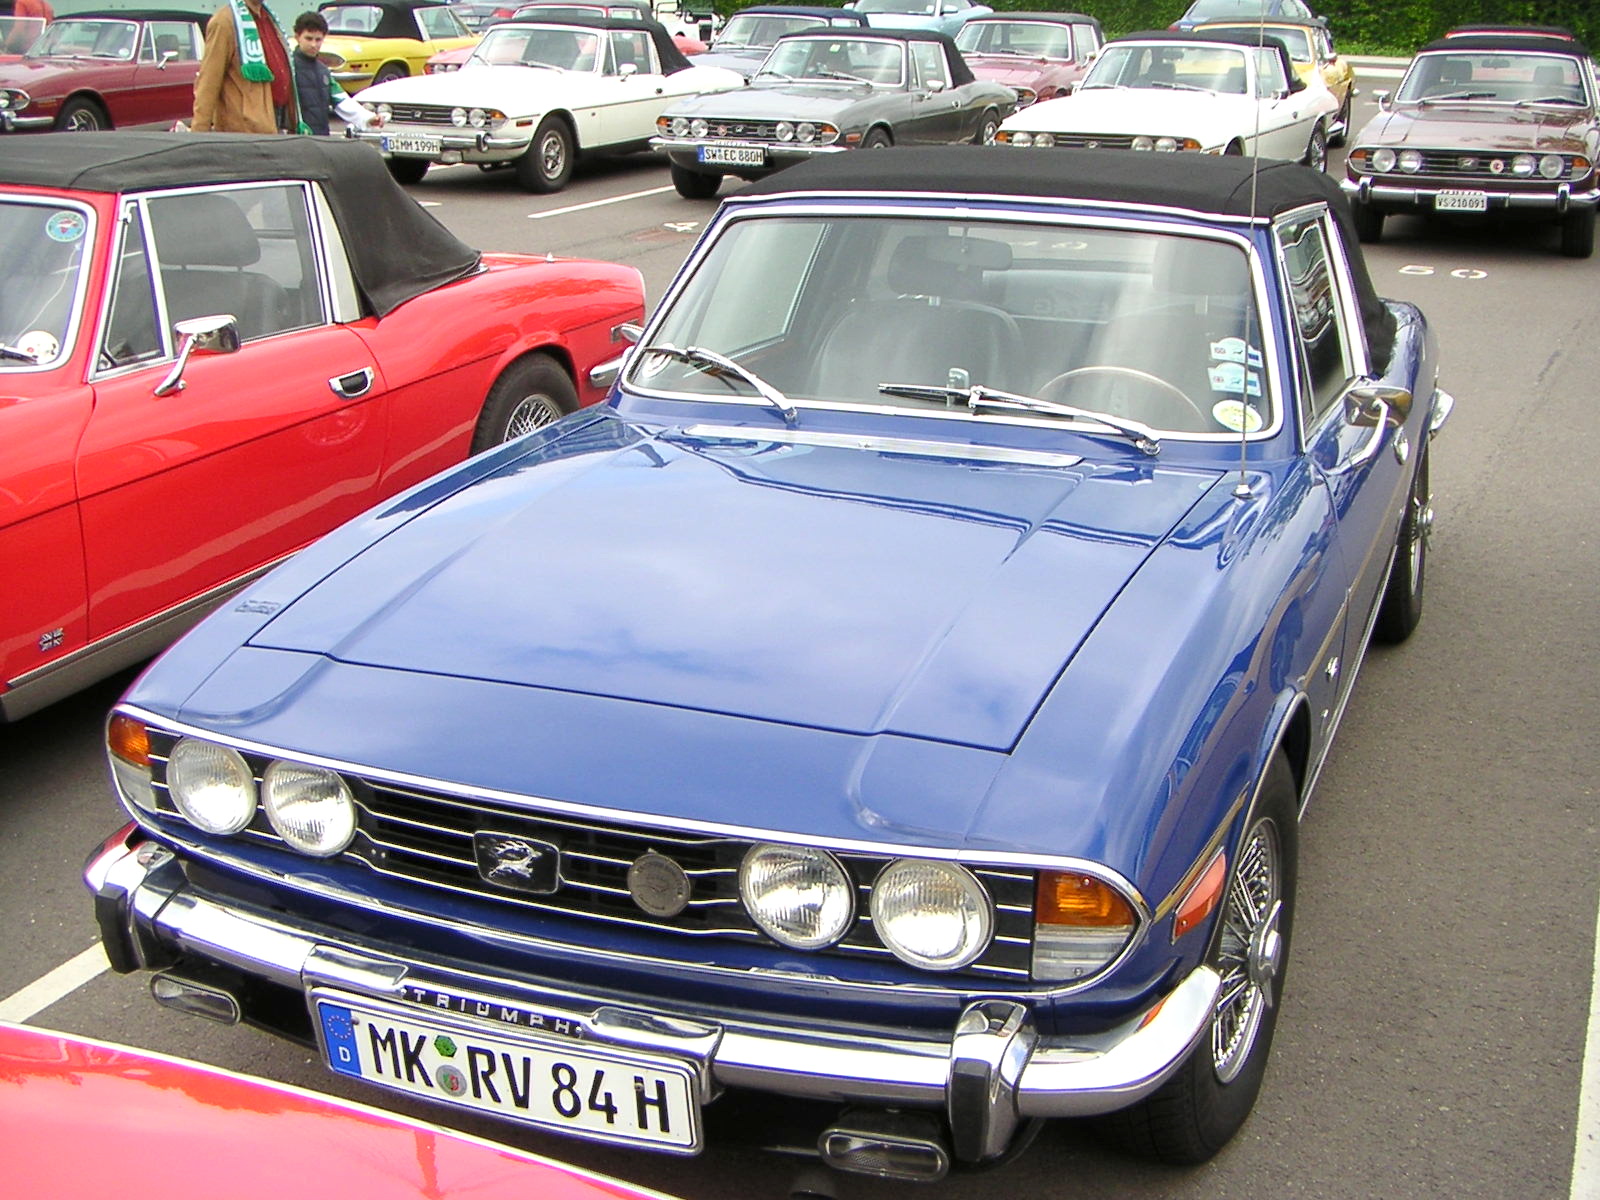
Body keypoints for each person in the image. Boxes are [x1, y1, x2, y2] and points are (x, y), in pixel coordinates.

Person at [192, 0, 297, 133]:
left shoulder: (269, 18)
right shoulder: (224, 22)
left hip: (278, 121)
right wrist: (199, 134)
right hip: (246, 129)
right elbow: (208, 82)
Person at [289, 11, 383, 135]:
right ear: (297, 37)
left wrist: (368, 118)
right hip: (295, 139)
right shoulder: (288, 67)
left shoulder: (323, 70)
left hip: (322, 136)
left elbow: (341, 100)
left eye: (318, 40)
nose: (313, 44)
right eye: (308, 38)